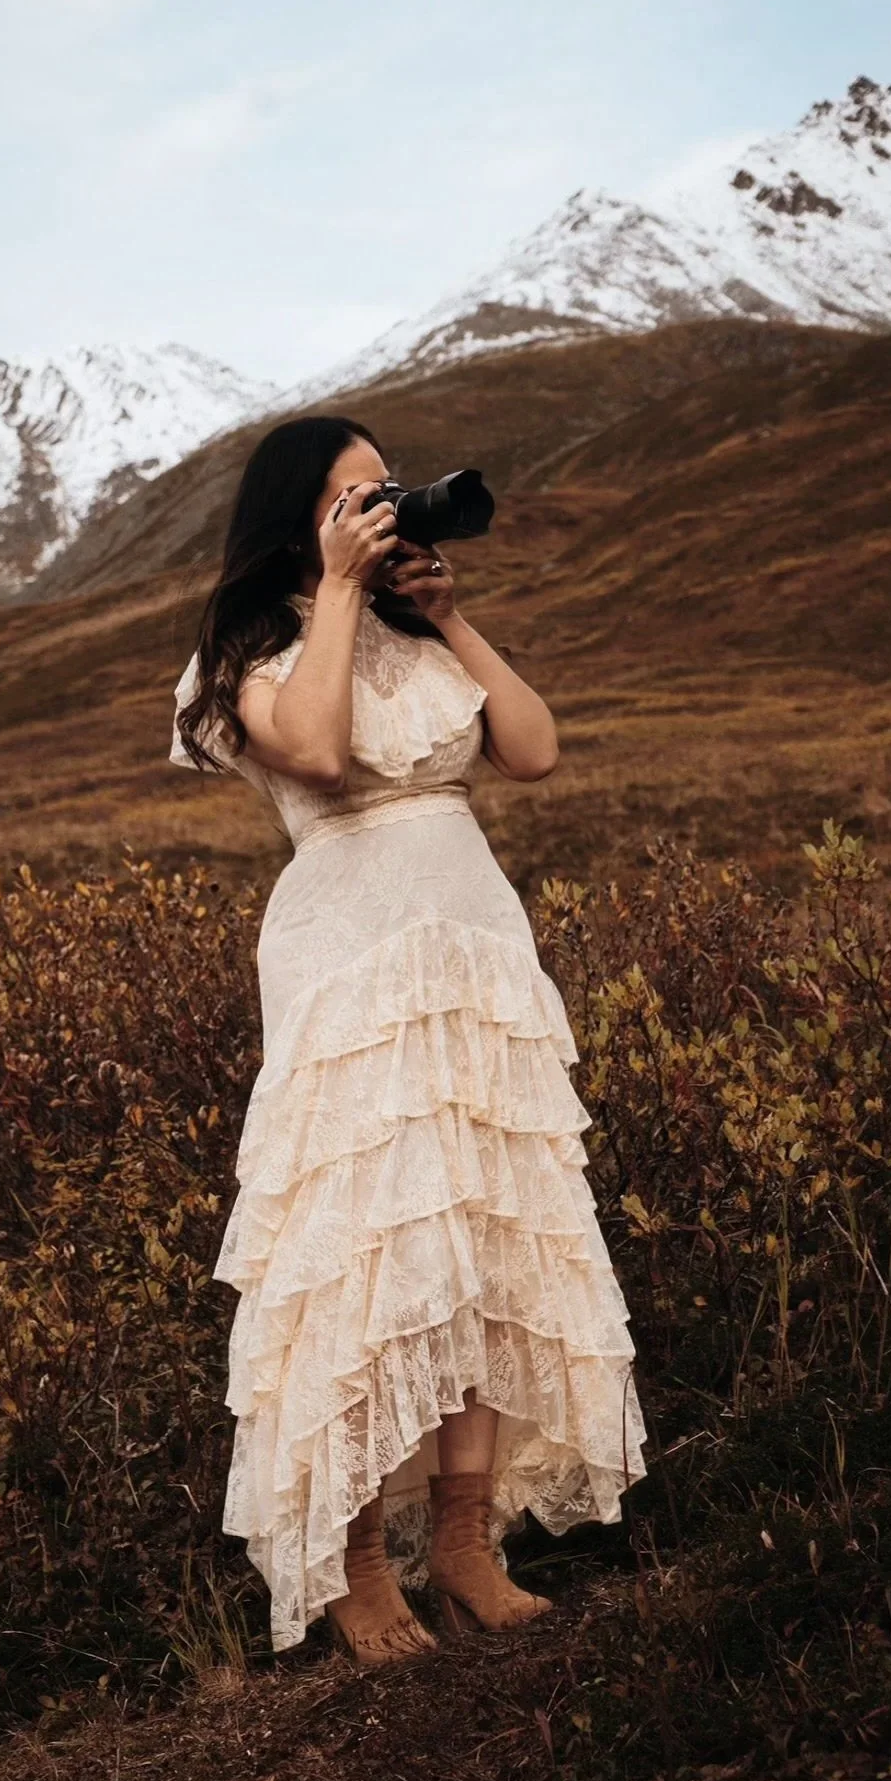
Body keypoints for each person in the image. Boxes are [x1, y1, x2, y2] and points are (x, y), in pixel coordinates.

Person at [169, 415, 648, 1667]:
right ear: (301, 515)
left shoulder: (412, 633)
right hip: (349, 956)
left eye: (387, 492)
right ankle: (353, 1564)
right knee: (372, 1256)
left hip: (470, 947)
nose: (381, 512)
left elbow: (533, 750)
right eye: (353, 498)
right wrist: (331, 591)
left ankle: (465, 1544)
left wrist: (446, 617)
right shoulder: (245, 657)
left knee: (480, 1244)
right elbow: (320, 754)